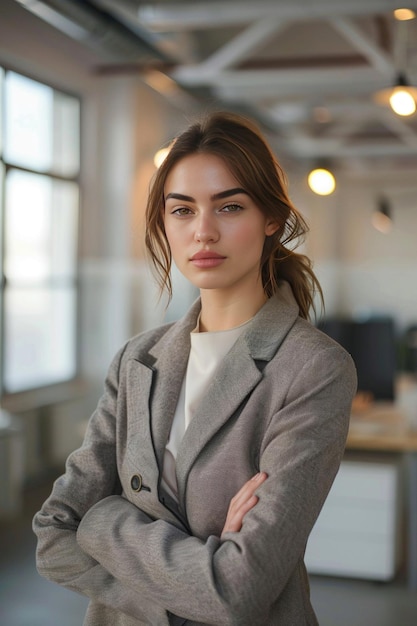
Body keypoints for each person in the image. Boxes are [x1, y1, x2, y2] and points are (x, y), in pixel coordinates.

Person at [33, 111, 357, 626]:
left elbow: (236, 592)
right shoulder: (136, 359)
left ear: (272, 219)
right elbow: (52, 535)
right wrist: (200, 569)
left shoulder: (314, 369)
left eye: (229, 206)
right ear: (164, 222)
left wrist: (103, 519)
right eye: (182, 210)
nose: (203, 232)